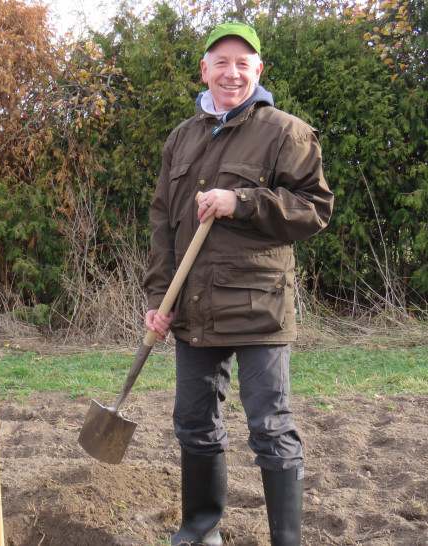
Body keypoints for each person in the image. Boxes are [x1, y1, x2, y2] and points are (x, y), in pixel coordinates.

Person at [144, 23, 333, 546]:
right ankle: (200, 531)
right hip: (192, 307)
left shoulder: (286, 132)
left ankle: (285, 540)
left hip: (259, 306)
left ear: (258, 71)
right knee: (193, 423)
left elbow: (314, 210)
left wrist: (242, 202)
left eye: (242, 64)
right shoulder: (182, 137)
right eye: (221, 62)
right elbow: (163, 223)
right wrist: (157, 299)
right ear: (204, 69)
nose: (231, 73)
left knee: (270, 427)